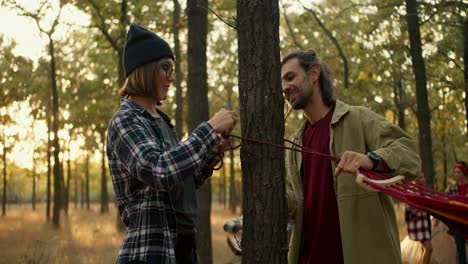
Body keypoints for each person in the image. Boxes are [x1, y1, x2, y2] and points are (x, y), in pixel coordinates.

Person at [106, 23, 238, 264]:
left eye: (173, 69)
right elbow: (160, 171)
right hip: (151, 251)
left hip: (185, 247)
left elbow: (183, 181)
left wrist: (212, 152)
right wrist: (208, 129)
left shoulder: (163, 123)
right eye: (165, 68)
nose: (172, 77)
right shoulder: (125, 120)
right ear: (144, 69)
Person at [281, 49, 421, 264]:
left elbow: (410, 154)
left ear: (314, 73)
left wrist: (371, 159)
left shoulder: (358, 118)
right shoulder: (295, 143)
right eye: (282, 82)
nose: (284, 88)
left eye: (290, 77)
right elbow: (297, 205)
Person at [404, 174, 433, 264]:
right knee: (429, 248)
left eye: (424, 177)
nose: (423, 179)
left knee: (425, 249)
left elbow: (430, 203)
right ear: (415, 179)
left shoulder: (423, 191)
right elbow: (409, 209)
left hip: (424, 224)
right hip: (417, 225)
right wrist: (420, 207)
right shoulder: (412, 192)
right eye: (420, 177)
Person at [445, 161, 468, 264]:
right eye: (455, 172)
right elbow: (443, 200)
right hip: (457, 223)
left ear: (464, 173)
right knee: (460, 250)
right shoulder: (451, 187)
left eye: (459, 172)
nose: (457, 174)